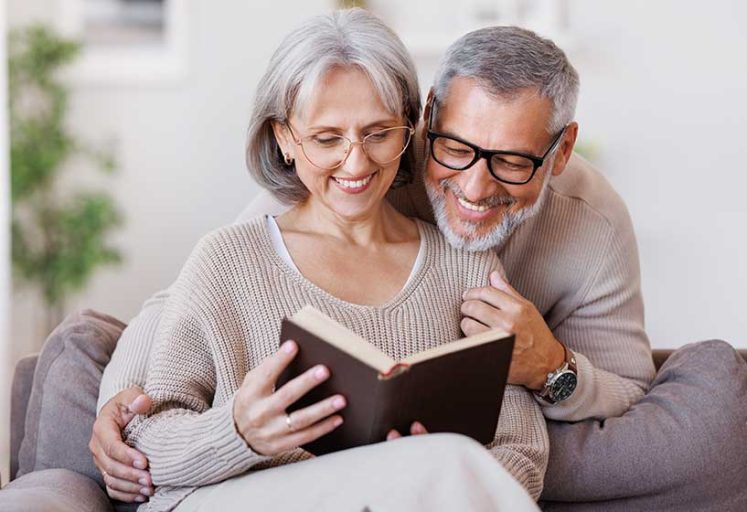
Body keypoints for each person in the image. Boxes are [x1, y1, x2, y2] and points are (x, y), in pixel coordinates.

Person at [97, 9, 546, 511]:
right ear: (285, 138)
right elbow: (148, 445)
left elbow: (521, 450)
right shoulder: (227, 260)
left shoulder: (466, 269)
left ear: (411, 128)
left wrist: (414, 477)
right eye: (327, 139)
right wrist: (238, 432)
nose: (356, 163)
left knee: (446, 466)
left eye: (378, 133)